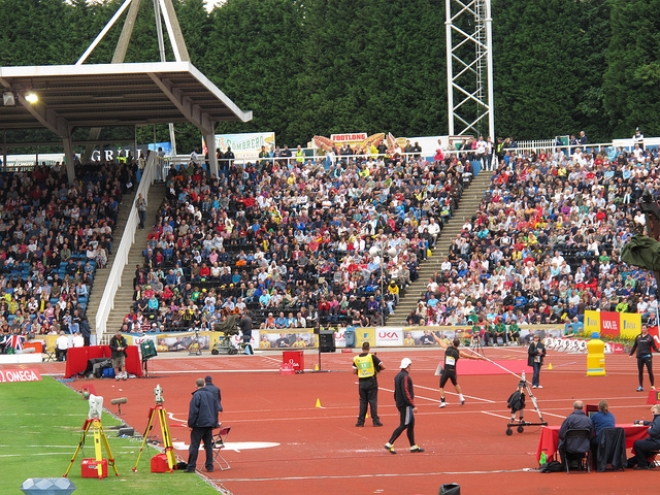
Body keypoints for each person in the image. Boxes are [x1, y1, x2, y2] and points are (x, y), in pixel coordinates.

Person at [384, 358, 424, 454]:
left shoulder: (398, 376)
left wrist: (397, 404)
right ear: (407, 365)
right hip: (405, 404)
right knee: (404, 424)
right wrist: (412, 405)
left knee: (411, 424)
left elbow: (396, 392)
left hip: (401, 404)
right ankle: (390, 443)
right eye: (410, 365)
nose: (411, 367)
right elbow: (405, 391)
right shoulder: (405, 377)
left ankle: (413, 446)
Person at [433, 335, 486, 407]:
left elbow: (438, 340)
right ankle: (461, 398)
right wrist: (480, 358)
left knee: (441, 387)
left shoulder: (446, 348)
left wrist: (433, 334)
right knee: (455, 384)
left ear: (453, 343)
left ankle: (443, 402)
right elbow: (470, 357)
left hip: (446, 371)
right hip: (453, 371)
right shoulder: (459, 352)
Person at [186, 378, 220, 473]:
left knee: (194, 445)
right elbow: (215, 409)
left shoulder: (197, 395)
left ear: (196, 385)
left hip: (199, 424)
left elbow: (194, 411)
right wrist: (214, 422)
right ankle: (209, 465)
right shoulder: (211, 395)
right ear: (204, 384)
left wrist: (191, 424)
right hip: (209, 424)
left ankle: (191, 466)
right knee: (208, 445)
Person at [352, 342, 385, 427]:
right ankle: (375, 421)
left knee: (363, 402)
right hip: (371, 381)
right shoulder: (371, 357)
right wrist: (376, 369)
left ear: (362, 348)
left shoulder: (356, 358)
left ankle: (360, 422)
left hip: (362, 382)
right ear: (369, 348)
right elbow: (383, 366)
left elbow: (354, 371)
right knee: (373, 401)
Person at [558, 400, 594, 467]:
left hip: (570, 446)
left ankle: (565, 464)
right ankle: (579, 463)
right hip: (584, 446)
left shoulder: (569, 419)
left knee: (560, 442)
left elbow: (561, 434)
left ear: (574, 407)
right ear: (582, 407)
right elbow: (591, 436)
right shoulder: (588, 420)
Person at [629, 324, 659, 392]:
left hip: (647, 356)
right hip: (640, 356)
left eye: (644, 328)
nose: (643, 329)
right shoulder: (638, 337)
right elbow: (634, 346)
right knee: (640, 371)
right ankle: (640, 386)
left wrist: (658, 350)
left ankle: (652, 385)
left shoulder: (650, 337)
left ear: (647, 329)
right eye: (642, 328)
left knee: (650, 371)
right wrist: (631, 354)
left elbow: (654, 347)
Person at [631, 404, 660, 469]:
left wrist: (649, 430)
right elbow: (652, 423)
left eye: (653, 412)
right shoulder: (658, 419)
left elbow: (654, 432)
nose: (652, 414)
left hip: (657, 442)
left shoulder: (658, 419)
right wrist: (642, 422)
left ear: (658, 412)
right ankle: (646, 462)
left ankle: (642, 464)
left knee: (637, 444)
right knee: (643, 443)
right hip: (657, 441)